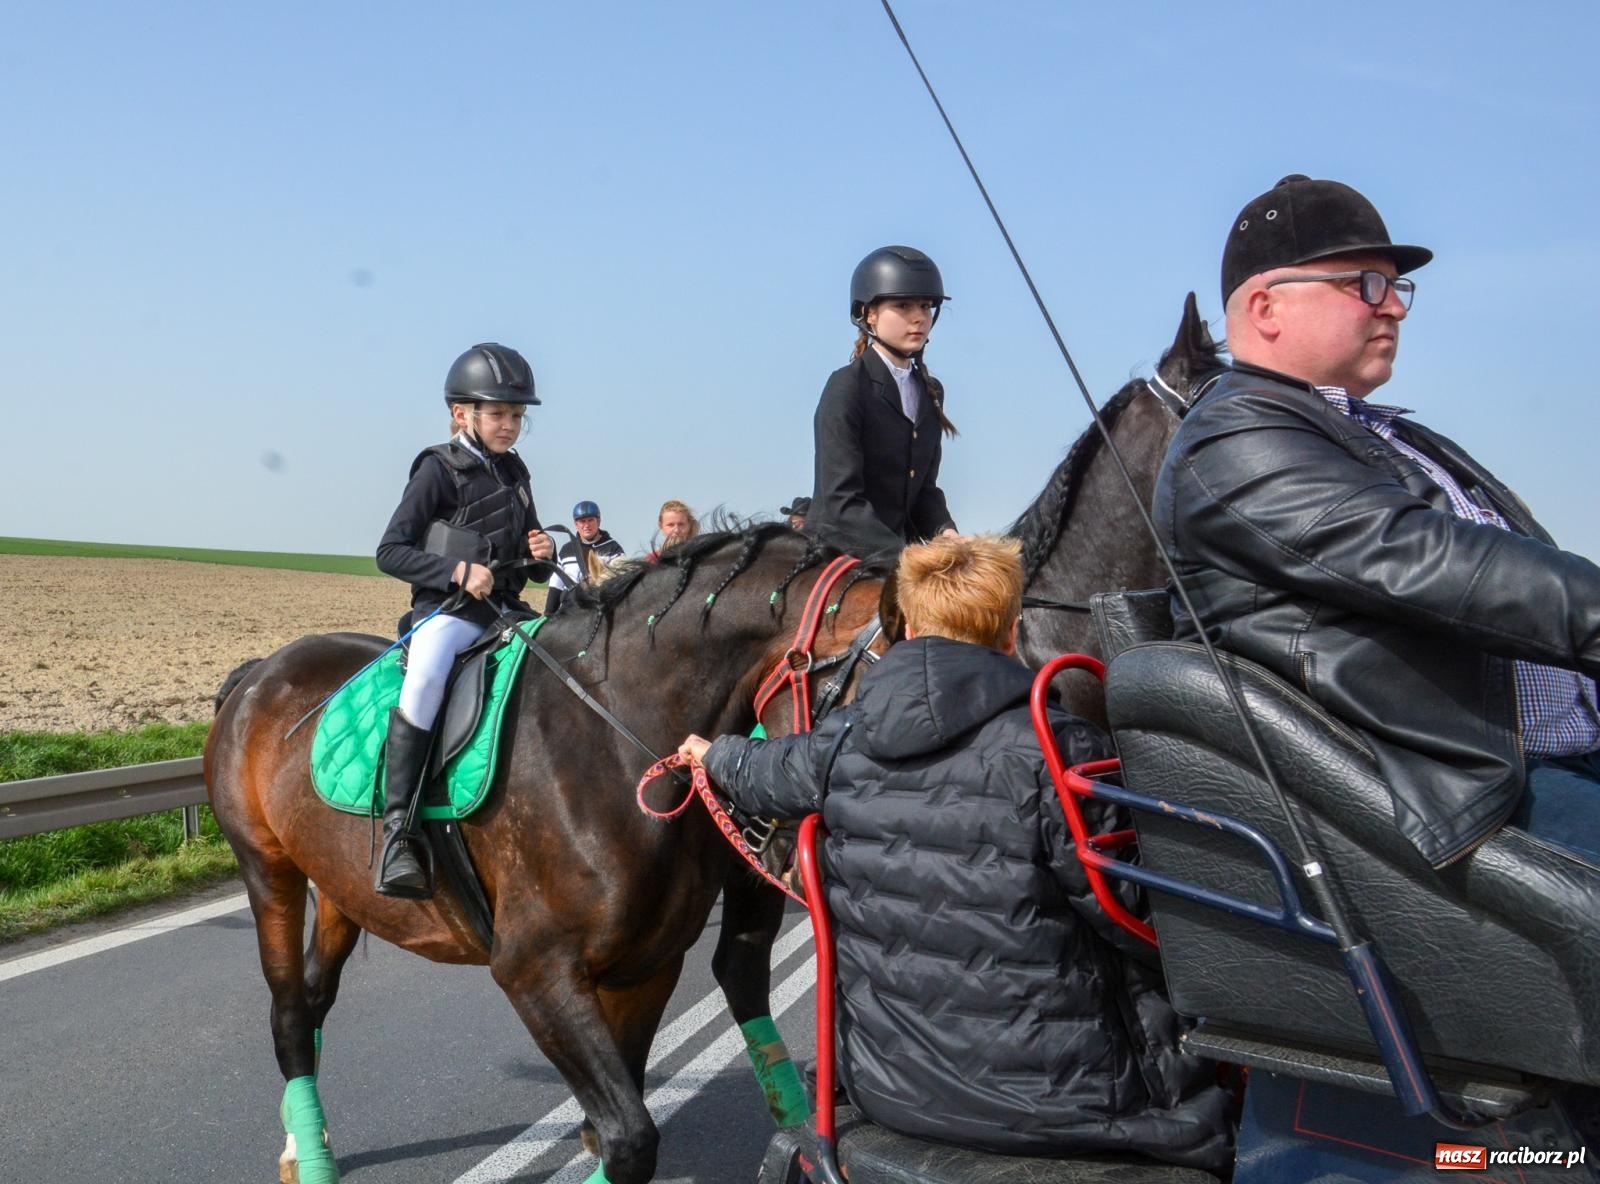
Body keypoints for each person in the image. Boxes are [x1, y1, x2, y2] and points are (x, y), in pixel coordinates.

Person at [676, 536, 1232, 1169]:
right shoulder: (1062, 749)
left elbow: (770, 770)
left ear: (909, 625)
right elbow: (1145, 925)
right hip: (1084, 1110)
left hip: (888, 1091)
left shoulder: (842, 740)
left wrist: (713, 755)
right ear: (1010, 631)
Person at [1154, 174, 1600, 868]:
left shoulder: (1384, 433)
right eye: (1364, 283)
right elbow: (1427, 560)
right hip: (1477, 793)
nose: (1394, 306)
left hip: (1561, 760)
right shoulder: (1233, 441)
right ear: (1267, 307)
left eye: (1397, 287)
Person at [374, 342, 555, 897]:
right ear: (462, 413)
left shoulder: (515, 472)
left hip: (505, 611)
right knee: (427, 674)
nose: (511, 425)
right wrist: (457, 571)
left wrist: (542, 553)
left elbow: (534, 568)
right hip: (449, 613)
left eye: (518, 416)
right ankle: (399, 834)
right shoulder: (437, 469)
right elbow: (390, 550)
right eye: (499, 413)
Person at [805, 245, 961, 558]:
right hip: (839, 553)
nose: (918, 317)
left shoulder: (931, 392)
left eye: (926, 306)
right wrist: (905, 556)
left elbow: (923, 491)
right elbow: (841, 501)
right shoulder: (847, 386)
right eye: (903, 306)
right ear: (869, 315)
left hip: (898, 554)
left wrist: (947, 533)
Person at [557, 499, 626, 587]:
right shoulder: (566, 550)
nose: (586, 525)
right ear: (576, 524)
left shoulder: (613, 548)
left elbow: (622, 583)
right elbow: (556, 586)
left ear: (598, 521)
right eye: (582, 521)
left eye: (590, 520)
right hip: (571, 600)